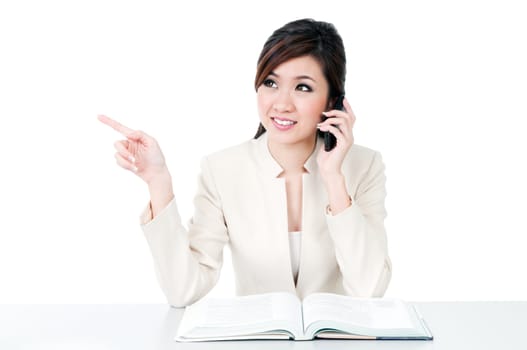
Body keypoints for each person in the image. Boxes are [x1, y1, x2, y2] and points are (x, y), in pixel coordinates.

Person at [99, 18, 392, 307]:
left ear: (333, 102)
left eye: (303, 87)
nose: (281, 103)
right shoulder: (222, 169)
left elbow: (368, 290)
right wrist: (157, 180)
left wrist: (333, 178)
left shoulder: (364, 165)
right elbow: (184, 290)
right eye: (270, 83)